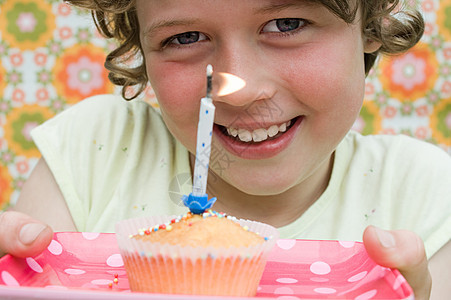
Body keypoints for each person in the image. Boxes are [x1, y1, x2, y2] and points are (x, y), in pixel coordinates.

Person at [0, 0, 450, 299]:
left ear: (371, 26)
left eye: (287, 24)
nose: (238, 90)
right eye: (185, 38)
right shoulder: (93, 152)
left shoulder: (425, 193)